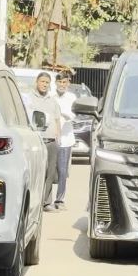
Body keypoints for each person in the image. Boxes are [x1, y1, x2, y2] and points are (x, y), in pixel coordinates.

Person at [28, 72, 61, 211]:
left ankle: (46, 203)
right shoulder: (29, 98)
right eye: (42, 81)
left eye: (47, 82)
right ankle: (33, 202)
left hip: (51, 141)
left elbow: (57, 120)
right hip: (36, 141)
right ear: (37, 82)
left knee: (50, 173)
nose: (44, 84)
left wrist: (58, 135)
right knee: (36, 172)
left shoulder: (52, 101)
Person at [54, 72, 77, 210]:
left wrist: (62, 113)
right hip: (51, 138)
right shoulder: (51, 96)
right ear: (55, 82)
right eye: (60, 82)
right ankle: (46, 200)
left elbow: (73, 115)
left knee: (62, 171)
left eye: (64, 82)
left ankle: (60, 200)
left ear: (68, 83)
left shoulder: (72, 97)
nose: (62, 85)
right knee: (49, 171)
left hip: (65, 139)